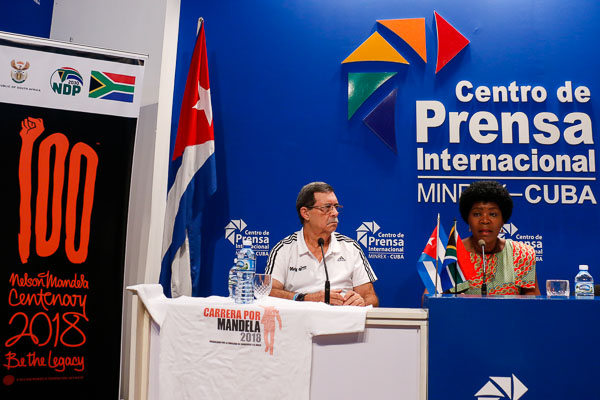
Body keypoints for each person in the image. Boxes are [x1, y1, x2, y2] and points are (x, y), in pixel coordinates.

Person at [266, 182, 378, 306]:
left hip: (341, 317)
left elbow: (370, 297)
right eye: (327, 207)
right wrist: (307, 298)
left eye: (336, 206)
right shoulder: (284, 249)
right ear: (305, 213)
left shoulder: (350, 247)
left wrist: (362, 302)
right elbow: (269, 292)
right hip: (300, 317)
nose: (335, 213)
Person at [454, 180, 540, 295]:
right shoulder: (453, 254)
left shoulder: (521, 254)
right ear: (467, 219)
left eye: (493, 214)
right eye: (477, 214)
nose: (485, 220)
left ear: (503, 220)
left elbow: (533, 301)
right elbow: (436, 299)